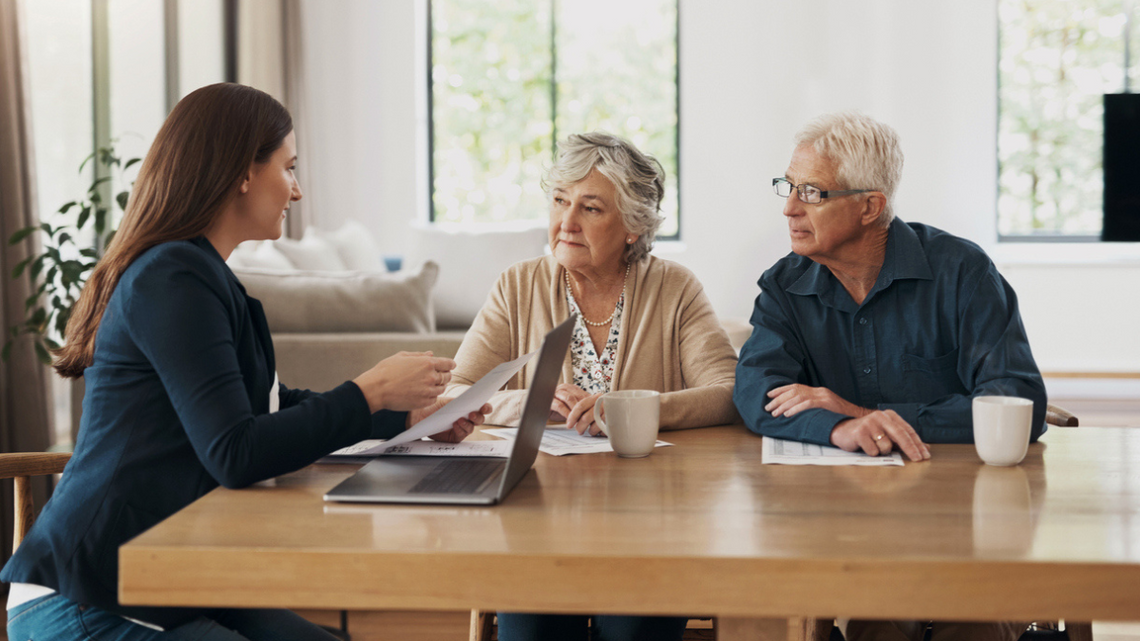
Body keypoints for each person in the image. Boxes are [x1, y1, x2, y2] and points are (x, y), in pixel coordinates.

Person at [1, 83, 489, 641]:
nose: (298, 190)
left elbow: (273, 409)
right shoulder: (173, 277)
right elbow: (234, 452)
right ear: (243, 172)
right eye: (289, 166)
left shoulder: (201, 275)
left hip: (164, 578)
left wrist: (410, 422)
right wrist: (369, 390)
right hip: (90, 597)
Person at [734, 112, 1041, 641]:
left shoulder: (963, 272)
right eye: (788, 186)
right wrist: (837, 428)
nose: (789, 207)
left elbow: (1014, 399)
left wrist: (867, 416)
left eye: (812, 192)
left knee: (976, 627)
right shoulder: (785, 286)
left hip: (968, 515)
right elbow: (756, 390)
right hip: (850, 523)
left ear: (869, 207)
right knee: (874, 623)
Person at [447, 131, 738, 641]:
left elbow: (727, 390)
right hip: (535, 518)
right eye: (560, 201)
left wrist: (628, 409)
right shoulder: (517, 285)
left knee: (632, 629)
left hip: (651, 522)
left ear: (632, 226)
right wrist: (528, 402)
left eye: (591, 208)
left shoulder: (675, 287)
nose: (567, 222)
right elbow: (456, 394)